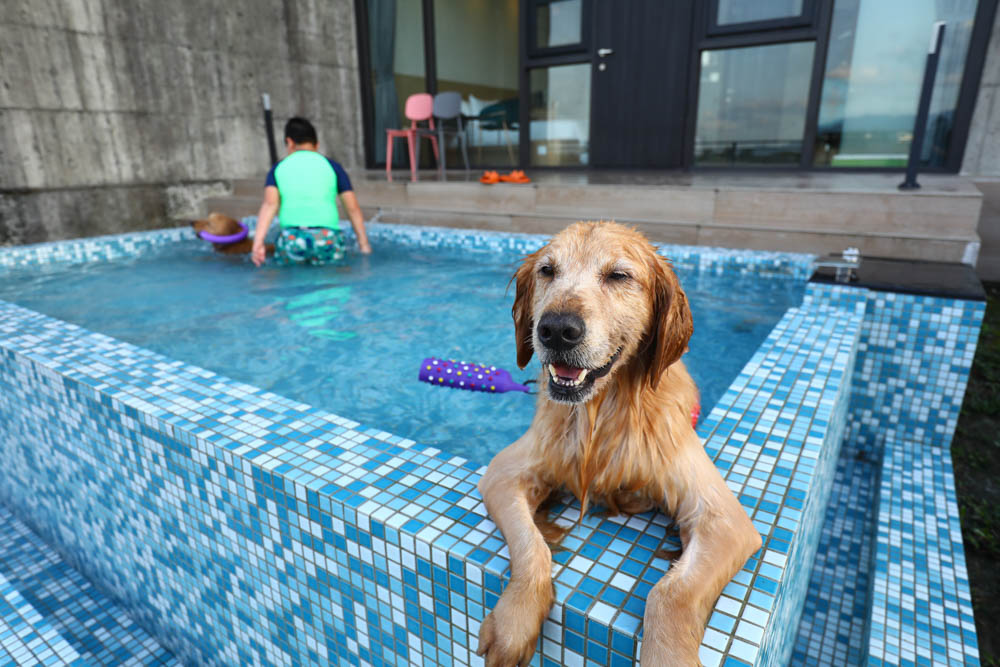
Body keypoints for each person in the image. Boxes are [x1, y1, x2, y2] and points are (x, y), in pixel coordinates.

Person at [252, 117, 372, 267]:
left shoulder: (278, 168)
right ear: (317, 144)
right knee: (333, 281)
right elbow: (352, 209)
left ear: (289, 142)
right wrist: (364, 244)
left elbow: (270, 205)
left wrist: (258, 243)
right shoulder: (333, 167)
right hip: (327, 238)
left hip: (292, 239)